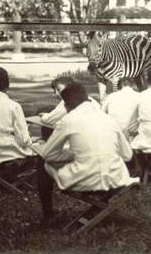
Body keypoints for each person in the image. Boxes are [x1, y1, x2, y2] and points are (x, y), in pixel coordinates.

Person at [38, 82, 138, 222]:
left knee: (43, 163)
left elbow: (48, 155)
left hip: (85, 181)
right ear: (87, 99)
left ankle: (48, 214)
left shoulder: (67, 120)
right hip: (115, 179)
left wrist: (72, 154)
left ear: (66, 106)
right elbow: (127, 155)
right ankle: (102, 207)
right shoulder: (108, 119)